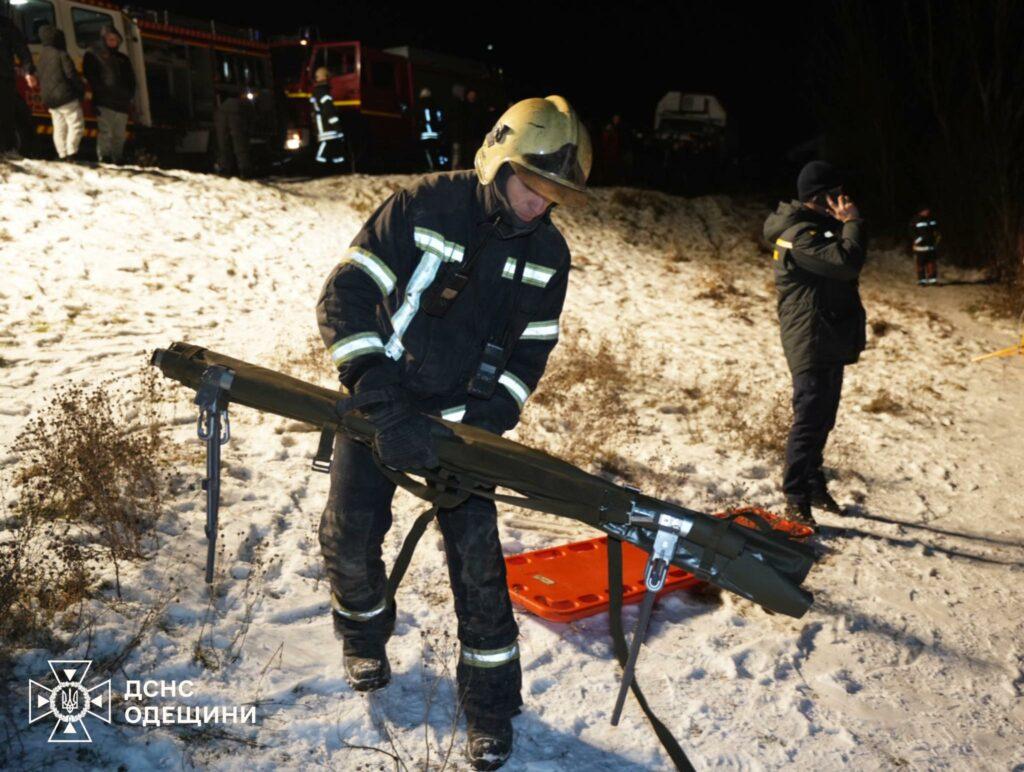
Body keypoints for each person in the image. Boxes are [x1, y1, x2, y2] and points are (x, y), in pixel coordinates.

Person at [316, 95, 591, 770]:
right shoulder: (424, 206)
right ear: (498, 162)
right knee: (350, 538)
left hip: (463, 430)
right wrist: (382, 401)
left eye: (552, 194)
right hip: (381, 403)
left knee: (480, 573)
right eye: (531, 186)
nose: (539, 205)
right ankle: (364, 638)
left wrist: (486, 423)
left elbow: (531, 354)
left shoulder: (549, 254)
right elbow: (344, 296)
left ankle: (492, 710)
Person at [763, 161, 868, 526]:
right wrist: (852, 222)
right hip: (809, 338)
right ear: (818, 196)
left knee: (824, 418)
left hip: (828, 335)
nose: (843, 198)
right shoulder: (799, 236)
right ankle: (795, 497)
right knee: (809, 419)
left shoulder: (819, 230)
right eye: (835, 192)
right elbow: (845, 264)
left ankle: (812, 481)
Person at [82, 24, 135, 163]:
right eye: (110, 38)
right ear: (103, 39)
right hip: (104, 101)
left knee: (119, 135)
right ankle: (104, 157)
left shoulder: (123, 58)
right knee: (106, 132)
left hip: (122, 103)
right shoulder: (93, 55)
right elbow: (91, 77)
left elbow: (131, 79)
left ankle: (117, 158)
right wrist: (97, 93)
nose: (113, 41)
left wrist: (129, 95)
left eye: (115, 39)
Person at [37, 25, 84, 161]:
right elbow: (71, 74)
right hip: (65, 96)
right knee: (75, 124)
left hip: (50, 99)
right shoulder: (61, 54)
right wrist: (81, 88)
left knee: (59, 127)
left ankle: (62, 154)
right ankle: (71, 152)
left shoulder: (41, 57)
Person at [0, 8, 37, 153]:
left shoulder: (5, 26)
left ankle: (7, 150)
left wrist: (28, 71)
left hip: (3, 78)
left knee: (5, 116)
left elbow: (21, 49)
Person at [309, 66, 345, 167]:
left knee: (333, 143)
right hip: (326, 125)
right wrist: (337, 126)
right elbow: (329, 111)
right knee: (327, 143)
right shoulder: (323, 93)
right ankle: (320, 166)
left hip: (322, 123)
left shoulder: (316, 92)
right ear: (326, 78)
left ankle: (336, 165)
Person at [214, 92, 254, 177]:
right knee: (239, 142)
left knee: (224, 142)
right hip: (236, 109)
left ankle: (224, 167)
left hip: (225, 109)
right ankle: (244, 169)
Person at [910, 207, 940, 285]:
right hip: (920, 248)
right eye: (926, 210)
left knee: (932, 264)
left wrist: (936, 239)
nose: (927, 212)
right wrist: (918, 240)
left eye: (928, 210)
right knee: (920, 264)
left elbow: (936, 230)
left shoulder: (931, 219)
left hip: (931, 247)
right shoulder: (915, 220)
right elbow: (911, 232)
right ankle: (921, 281)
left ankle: (932, 280)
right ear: (921, 211)